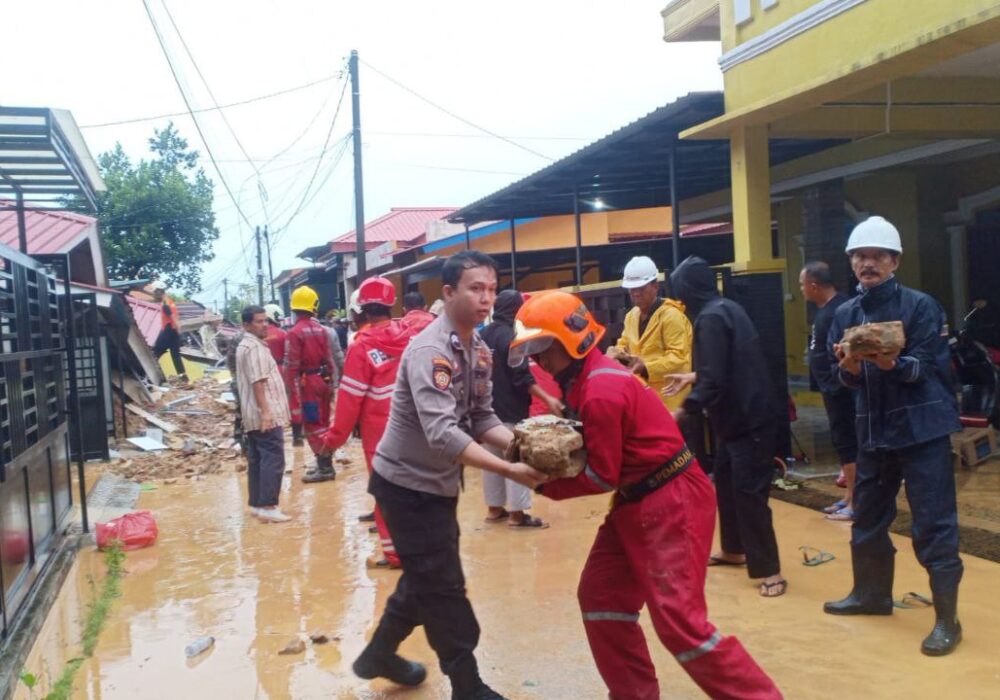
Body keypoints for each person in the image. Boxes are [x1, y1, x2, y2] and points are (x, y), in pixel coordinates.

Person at [508, 290, 781, 700]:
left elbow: (602, 475)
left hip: (671, 501)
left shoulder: (600, 390)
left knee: (681, 623)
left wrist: (542, 483)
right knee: (601, 594)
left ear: (572, 343)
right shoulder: (589, 380)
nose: (539, 361)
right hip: (640, 500)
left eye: (544, 348)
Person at [353, 251, 547, 700]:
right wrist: (510, 469)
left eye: (491, 289)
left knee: (426, 575)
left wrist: (524, 444)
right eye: (475, 288)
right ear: (448, 293)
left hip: (436, 487)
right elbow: (442, 433)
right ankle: (467, 684)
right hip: (403, 487)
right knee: (445, 586)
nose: (486, 298)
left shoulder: (478, 350)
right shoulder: (429, 351)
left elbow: (481, 417)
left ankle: (378, 655)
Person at [823, 216, 963, 656]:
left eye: (877, 256)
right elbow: (841, 380)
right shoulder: (844, 313)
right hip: (874, 432)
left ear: (895, 261)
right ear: (851, 262)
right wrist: (847, 369)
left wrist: (891, 364)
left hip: (922, 432)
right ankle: (871, 595)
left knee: (933, 526)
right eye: (860, 256)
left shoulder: (922, 307)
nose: (868, 263)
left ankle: (947, 621)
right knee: (867, 519)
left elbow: (930, 368)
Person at [664, 256, 786, 598]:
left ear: (686, 289)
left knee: (750, 494)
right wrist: (693, 376)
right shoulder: (726, 308)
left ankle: (770, 570)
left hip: (749, 421)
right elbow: (726, 365)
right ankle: (734, 549)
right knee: (727, 484)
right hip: (739, 419)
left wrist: (683, 410)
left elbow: (715, 380)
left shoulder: (710, 319)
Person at [320, 276, 432, 570]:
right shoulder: (410, 337)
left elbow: (350, 399)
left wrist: (332, 440)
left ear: (363, 311)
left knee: (387, 491)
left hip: (380, 432)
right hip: (418, 425)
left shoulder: (361, 347)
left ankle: (394, 553)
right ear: (392, 305)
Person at [479, 289, 563, 529]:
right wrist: (548, 398)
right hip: (510, 410)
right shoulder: (512, 338)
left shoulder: (482, 336)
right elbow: (521, 378)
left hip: (486, 412)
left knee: (492, 460)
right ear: (516, 310)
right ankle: (518, 515)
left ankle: (495, 509)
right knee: (517, 459)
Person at [799, 262, 857, 521]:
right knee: (840, 439)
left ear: (813, 285)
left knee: (848, 439)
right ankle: (849, 496)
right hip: (830, 388)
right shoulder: (825, 310)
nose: (801, 290)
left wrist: (836, 381)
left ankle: (856, 501)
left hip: (841, 389)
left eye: (802, 284)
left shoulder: (841, 309)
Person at [611, 255, 692, 410]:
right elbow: (624, 344)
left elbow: (679, 356)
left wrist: (646, 367)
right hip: (643, 396)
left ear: (655, 286)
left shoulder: (671, 316)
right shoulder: (631, 316)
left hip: (671, 400)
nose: (636, 293)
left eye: (641, 288)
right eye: (632, 289)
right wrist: (618, 354)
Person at [235, 305, 292, 523]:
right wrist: (266, 412)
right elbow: (258, 381)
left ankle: (258, 505)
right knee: (273, 457)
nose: (264, 324)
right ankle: (269, 504)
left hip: (252, 412)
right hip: (264, 413)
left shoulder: (245, 345)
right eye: (259, 321)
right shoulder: (254, 348)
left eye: (265, 320)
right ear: (247, 325)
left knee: (258, 459)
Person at [284, 285, 337, 483]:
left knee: (312, 425)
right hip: (323, 380)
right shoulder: (321, 330)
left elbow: (291, 366)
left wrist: (290, 393)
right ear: (314, 306)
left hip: (307, 385)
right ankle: (325, 463)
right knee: (324, 423)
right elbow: (329, 360)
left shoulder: (295, 333)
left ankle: (325, 467)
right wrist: (331, 385)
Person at [150, 281, 188, 382]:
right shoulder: (169, 301)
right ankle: (183, 378)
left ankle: (149, 375)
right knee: (175, 355)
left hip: (168, 331)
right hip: (173, 331)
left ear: (159, 291)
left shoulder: (166, 304)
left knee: (155, 353)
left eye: (154, 292)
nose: (153, 294)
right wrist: (179, 333)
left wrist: (180, 333)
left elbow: (174, 319)